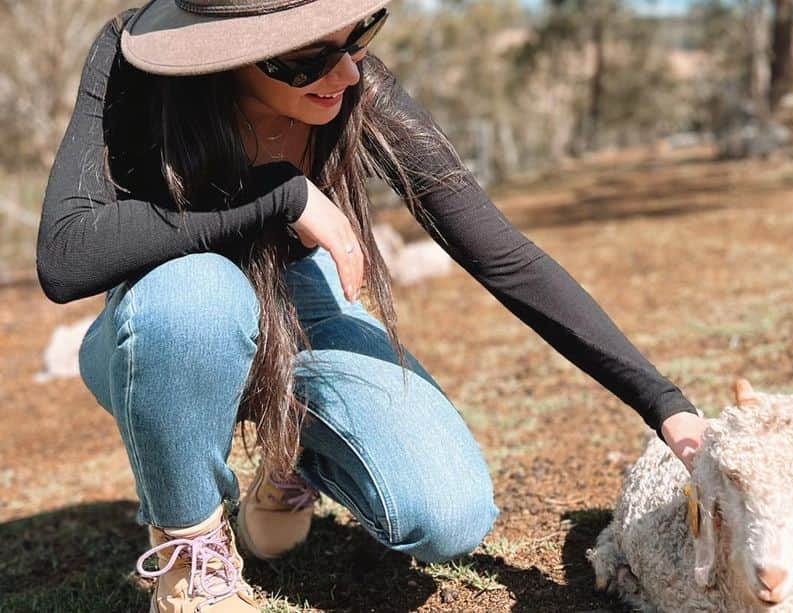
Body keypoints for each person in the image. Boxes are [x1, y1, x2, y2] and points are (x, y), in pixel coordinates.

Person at [36, 0, 709, 610]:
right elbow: (65, 258)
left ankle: (293, 449)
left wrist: (663, 402)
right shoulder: (135, 65)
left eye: (359, 36)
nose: (346, 74)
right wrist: (279, 194)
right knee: (195, 302)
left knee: (447, 513)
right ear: (223, 53)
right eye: (304, 59)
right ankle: (192, 561)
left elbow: (501, 254)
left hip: (305, 305)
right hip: (170, 313)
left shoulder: (356, 84)